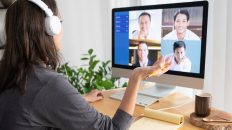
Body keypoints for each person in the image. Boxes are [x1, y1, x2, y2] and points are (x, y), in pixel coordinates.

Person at [0, 0, 172, 130]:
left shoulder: (7, 70)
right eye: (60, 22)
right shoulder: (48, 85)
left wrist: (80, 100)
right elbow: (113, 128)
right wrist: (136, 76)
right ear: (50, 28)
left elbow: (33, 105)